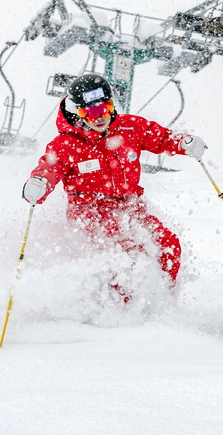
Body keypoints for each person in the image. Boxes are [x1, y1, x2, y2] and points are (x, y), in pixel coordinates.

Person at [22, 73, 207, 286]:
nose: (100, 117)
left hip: (131, 207)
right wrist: (40, 182)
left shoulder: (129, 127)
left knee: (167, 244)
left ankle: (163, 297)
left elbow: (161, 137)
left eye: (105, 108)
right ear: (77, 113)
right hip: (89, 212)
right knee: (127, 252)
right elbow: (50, 167)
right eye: (91, 113)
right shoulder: (66, 144)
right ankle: (118, 309)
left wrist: (183, 142)